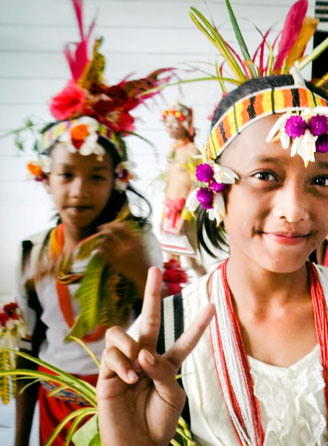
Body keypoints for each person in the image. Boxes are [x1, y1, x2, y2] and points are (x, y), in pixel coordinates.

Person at [94, 3, 328, 444]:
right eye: (266, 176)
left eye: (321, 180)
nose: (294, 210)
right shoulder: (163, 338)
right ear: (216, 191)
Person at [12, 2, 168, 444]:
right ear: (45, 179)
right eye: (66, 175)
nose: (79, 191)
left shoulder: (137, 242)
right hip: (54, 407)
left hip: (119, 404)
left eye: (96, 176)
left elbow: (168, 323)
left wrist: (138, 269)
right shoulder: (33, 252)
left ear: (117, 180)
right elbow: (25, 353)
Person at [160, 101, 206, 276]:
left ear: (185, 124)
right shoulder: (172, 152)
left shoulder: (192, 151)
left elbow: (197, 185)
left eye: (175, 122)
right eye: (168, 123)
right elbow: (169, 184)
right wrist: (163, 215)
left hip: (183, 212)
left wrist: (186, 216)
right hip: (170, 211)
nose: (170, 127)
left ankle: (208, 295)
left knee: (191, 259)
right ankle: (176, 294)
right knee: (171, 261)